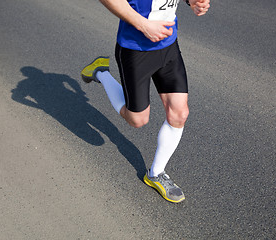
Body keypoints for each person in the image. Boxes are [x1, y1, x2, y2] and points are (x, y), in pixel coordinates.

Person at [81, 0, 210, 203]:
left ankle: (156, 173)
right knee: (137, 120)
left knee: (180, 113)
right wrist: (143, 24)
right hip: (135, 49)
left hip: (168, 46)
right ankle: (101, 72)